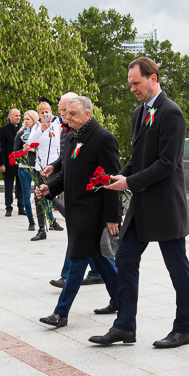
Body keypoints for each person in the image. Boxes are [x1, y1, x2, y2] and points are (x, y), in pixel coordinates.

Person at [91, 56, 189, 349]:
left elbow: (167, 163)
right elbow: (138, 160)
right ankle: (125, 326)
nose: (133, 89)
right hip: (141, 205)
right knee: (124, 258)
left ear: (153, 78)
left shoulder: (171, 113)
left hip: (165, 206)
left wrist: (130, 182)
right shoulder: (139, 114)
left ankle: (183, 329)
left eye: (136, 83)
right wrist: (118, 176)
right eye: (130, 84)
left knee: (177, 268)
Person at [35, 95, 122, 327]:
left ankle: (60, 313)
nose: (67, 117)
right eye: (66, 113)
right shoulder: (73, 136)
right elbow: (67, 173)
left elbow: (112, 180)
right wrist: (49, 187)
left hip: (93, 212)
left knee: (76, 261)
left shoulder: (103, 139)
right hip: (75, 211)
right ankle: (119, 299)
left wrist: (113, 216)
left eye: (72, 114)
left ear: (87, 114)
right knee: (99, 259)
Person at [27, 102, 63, 240]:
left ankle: (65, 215)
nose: (45, 115)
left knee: (51, 195)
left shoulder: (58, 126)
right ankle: (42, 228)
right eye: (42, 112)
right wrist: (42, 129)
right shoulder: (36, 127)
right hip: (39, 167)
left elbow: (61, 144)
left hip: (53, 167)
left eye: (47, 112)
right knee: (38, 196)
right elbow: (30, 143)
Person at [0, 108, 21, 216]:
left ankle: (21, 207)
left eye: (19, 116)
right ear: (10, 117)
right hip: (8, 162)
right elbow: (0, 147)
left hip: (21, 162)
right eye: (16, 116)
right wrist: (2, 163)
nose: (18, 118)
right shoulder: (3, 130)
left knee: (21, 186)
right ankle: (8, 207)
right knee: (8, 186)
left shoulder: (23, 129)